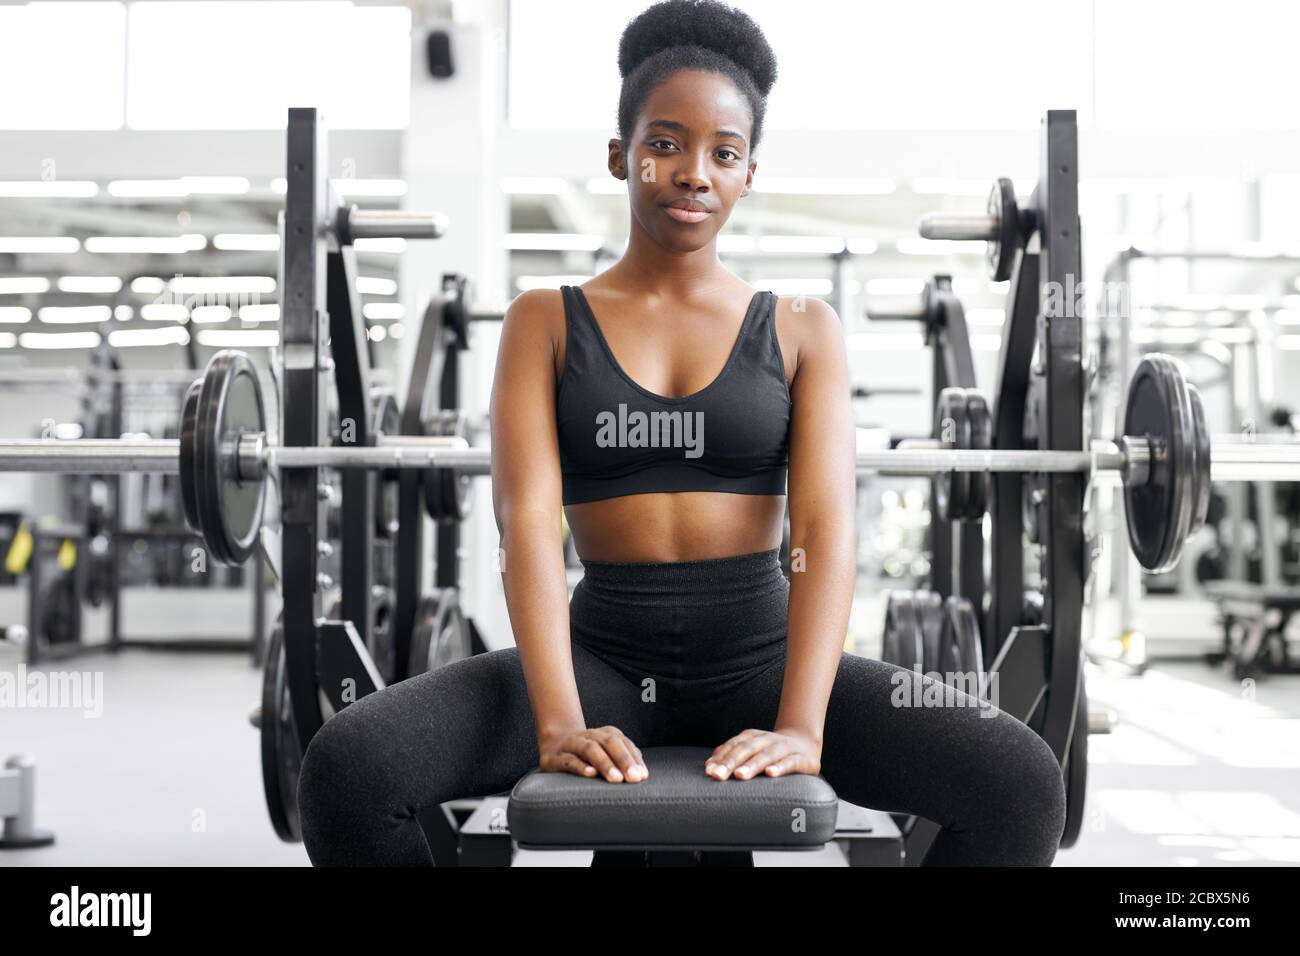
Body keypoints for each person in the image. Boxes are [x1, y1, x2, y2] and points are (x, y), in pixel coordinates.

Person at [298, 0, 1065, 866]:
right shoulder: (543, 320)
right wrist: (559, 720)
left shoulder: (802, 328)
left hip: (763, 657)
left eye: (723, 152)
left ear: (747, 173)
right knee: (350, 769)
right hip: (599, 660)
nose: (694, 171)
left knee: (1019, 782)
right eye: (665, 143)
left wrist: (801, 727)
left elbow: (822, 532)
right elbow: (527, 526)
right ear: (622, 155)